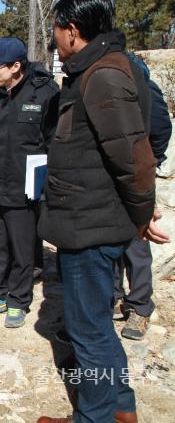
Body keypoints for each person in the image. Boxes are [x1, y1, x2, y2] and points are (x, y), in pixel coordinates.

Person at [36, 0, 170, 423]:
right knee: (96, 328)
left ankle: (93, 418)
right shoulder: (104, 68)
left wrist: (140, 212)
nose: (54, 36)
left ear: (72, 31)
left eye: (55, 28)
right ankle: (120, 409)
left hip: (90, 225)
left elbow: (134, 154)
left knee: (88, 331)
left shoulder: (104, 76)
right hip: (89, 218)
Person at [0, 37, 59, 328]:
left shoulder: (45, 93)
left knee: (23, 248)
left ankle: (18, 300)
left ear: (16, 66)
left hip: (26, 187)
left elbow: (55, 142)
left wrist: (47, 185)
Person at [113, 49, 173, 341]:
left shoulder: (144, 87)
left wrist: (148, 163)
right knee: (110, 237)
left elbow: (162, 128)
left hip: (137, 177)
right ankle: (114, 295)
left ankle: (140, 307)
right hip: (110, 177)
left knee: (136, 241)